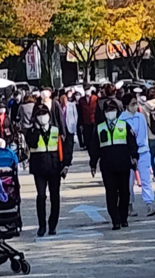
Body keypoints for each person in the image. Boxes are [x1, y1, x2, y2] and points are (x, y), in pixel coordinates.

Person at [90, 100, 139, 230]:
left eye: (112, 110)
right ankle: (115, 220)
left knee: (124, 193)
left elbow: (132, 143)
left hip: (123, 164)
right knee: (111, 193)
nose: (110, 113)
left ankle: (123, 218)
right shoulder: (100, 128)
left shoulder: (124, 125)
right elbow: (94, 147)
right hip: (107, 165)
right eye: (107, 110)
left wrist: (134, 157)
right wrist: (93, 164)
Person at [25, 105, 73, 236]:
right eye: (39, 114)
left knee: (55, 197)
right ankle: (42, 225)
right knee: (41, 196)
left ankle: (53, 225)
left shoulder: (55, 130)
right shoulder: (32, 131)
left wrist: (65, 165)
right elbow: (32, 143)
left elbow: (64, 148)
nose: (42, 116)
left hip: (54, 167)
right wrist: (35, 128)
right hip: (39, 169)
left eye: (44, 114)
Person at [119, 94, 155, 216]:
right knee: (128, 182)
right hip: (128, 155)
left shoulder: (140, 117)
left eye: (136, 103)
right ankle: (129, 206)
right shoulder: (121, 120)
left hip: (143, 152)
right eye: (132, 103)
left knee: (146, 179)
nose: (135, 106)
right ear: (126, 105)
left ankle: (149, 204)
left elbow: (143, 135)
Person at [78, 84, 98, 151]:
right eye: (86, 90)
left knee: (94, 136)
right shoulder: (81, 100)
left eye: (88, 90)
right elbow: (80, 112)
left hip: (94, 121)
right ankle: (87, 146)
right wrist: (80, 123)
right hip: (85, 122)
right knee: (87, 136)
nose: (87, 91)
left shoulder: (95, 98)